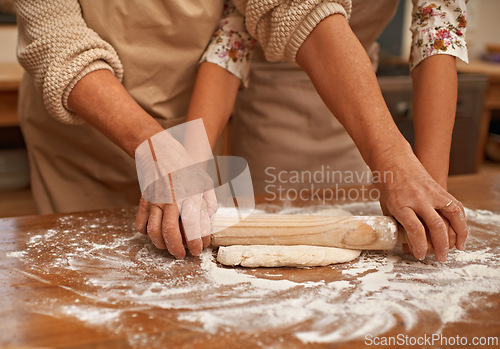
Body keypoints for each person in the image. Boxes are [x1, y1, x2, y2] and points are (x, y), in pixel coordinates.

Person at [185, 0, 469, 262]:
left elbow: (437, 28)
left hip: (361, 113)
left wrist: (428, 191)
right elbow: (233, 35)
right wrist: (190, 167)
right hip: (273, 113)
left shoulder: (373, 137)